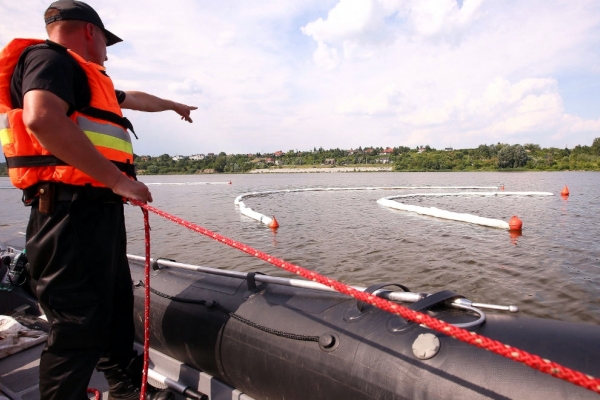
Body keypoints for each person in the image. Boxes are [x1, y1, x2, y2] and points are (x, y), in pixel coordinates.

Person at [0, 1, 197, 399]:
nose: (107, 51)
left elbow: (134, 98)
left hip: (96, 212)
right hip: (66, 213)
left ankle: (126, 387)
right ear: (91, 32)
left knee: (113, 307)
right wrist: (117, 181)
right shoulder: (48, 59)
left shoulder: (85, 76)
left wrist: (173, 105)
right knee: (77, 324)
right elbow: (41, 117)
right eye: (107, 42)